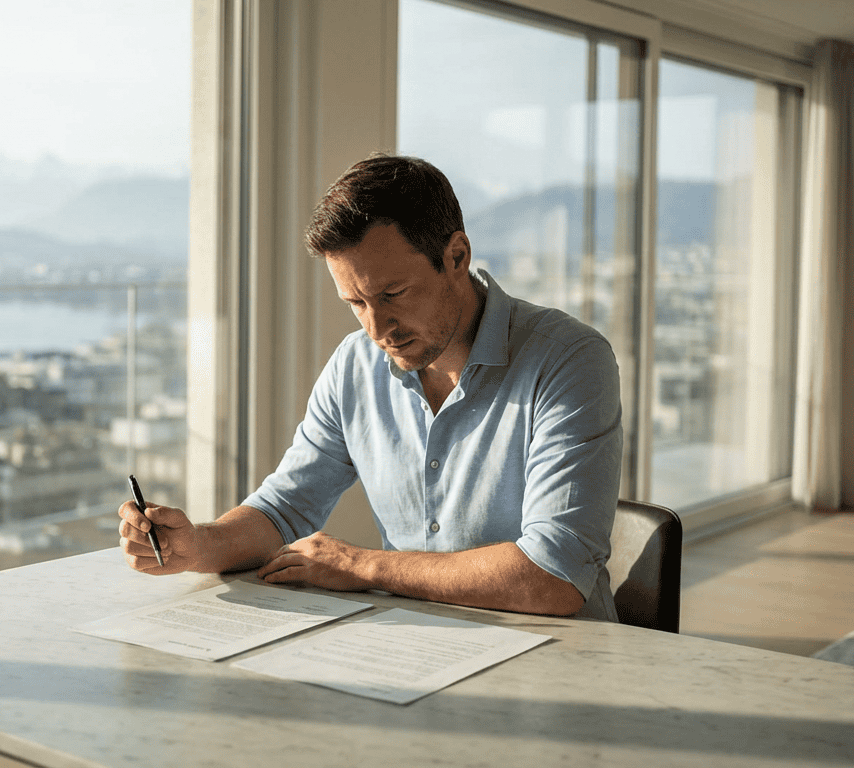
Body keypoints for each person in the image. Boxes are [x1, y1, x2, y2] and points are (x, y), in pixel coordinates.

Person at [119, 153, 622, 618]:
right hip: (419, 643)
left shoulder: (569, 360)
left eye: (393, 293)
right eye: (356, 303)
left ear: (456, 256)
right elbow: (285, 508)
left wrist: (362, 566)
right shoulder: (355, 365)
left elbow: (554, 576)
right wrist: (198, 546)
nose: (378, 329)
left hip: (561, 654)